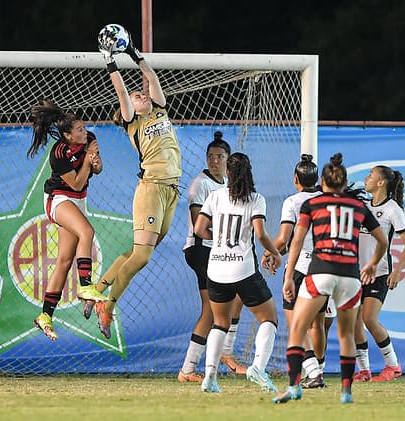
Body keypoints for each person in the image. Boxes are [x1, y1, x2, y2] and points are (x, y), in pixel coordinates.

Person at [88, 28, 182, 340]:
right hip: (151, 188)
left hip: (171, 191)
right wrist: (110, 61)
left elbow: (151, 78)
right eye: (136, 97)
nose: (140, 95)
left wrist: (134, 54)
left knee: (135, 252)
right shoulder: (135, 121)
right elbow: (121, 91)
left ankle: (98, 288)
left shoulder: (160, 108)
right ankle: (108, 305)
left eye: (141, 95)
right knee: (142, 257)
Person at [274, 153, 389, 405]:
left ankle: (295, 386)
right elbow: (383, 240)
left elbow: (295, 242)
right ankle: (346, 392)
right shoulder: (359, 206)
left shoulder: (311, 205)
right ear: (344, 183)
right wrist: (371, 264)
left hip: (320, 271)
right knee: (346, 333)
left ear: (323, 183)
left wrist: (289, 277)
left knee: (297, 327)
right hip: (350, 276)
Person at [193, 152, 282, 393]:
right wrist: (276, 253)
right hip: (242, 269)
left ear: (228, 173)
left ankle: (209, 378)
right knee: (269, 318)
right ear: (249, 172)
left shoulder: (215, 196)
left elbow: (199, 228)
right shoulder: (256, 199)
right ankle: (258, 368)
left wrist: (219, 240)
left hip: (217, 268)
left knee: (220, 323)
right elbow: (261, 234)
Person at [26, 99, 106, 340]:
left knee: (64, 260)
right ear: (67, 136)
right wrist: (87, 160)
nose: (85, 131)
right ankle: (85, 286)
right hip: (58, 198)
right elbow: (78, 181)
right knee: (87, 232)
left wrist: (96, 161)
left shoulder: (89, 138)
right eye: (79, 130)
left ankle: (45, 315)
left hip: (78, 200)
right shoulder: (58, 154)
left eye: (84, 127)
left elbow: (97, 169)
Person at [178, 132, 248, 381]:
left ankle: (220, 355)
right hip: (201, 250)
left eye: (219, 157)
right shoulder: (201, 184)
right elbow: (200, 225)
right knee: (214, 308)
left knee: (235, 298)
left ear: (228, 161)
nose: (214, 161)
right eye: (210, 156)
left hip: (218, 251)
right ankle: (193, 367)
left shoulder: (229, 186)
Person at [267, 154, 327, 389]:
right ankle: (319, 369)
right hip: (325, 268)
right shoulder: (328, 200)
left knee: (297, 323)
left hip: (301, 267)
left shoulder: (292, 202)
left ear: (295, 179)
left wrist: (269, 252)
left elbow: (283, 239)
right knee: (317, 324)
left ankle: (313, 373)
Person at [352, 165, 405, 382]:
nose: (366, 179)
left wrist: (397, 270)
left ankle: (393, 366)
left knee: (368, 318)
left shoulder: (392, 209)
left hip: (379, 273)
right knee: (355, 323)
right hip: (356, 273)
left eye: (370, 176)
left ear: (381, 182)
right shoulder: (363, 204)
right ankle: (364, 370)